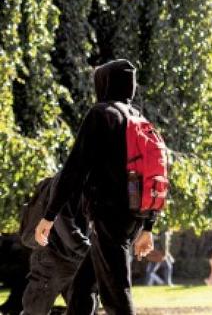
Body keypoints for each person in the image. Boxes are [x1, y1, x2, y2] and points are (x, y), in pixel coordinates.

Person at [34, 60, 156, 315]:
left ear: (106, 82)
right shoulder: (140, 119)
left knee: (116, 294)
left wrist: (49, 214)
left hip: (108, 217)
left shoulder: (102, 113)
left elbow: (75, 168)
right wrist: (148, 225)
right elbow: (153, 174)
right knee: (82, 289)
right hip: (132, 216)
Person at [21, 178, 96, 315]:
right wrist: (90, 252)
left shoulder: (92, 181)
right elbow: (64, 224)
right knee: (35, 310)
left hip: (77, 259)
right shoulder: (66, 181)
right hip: (52, 257)